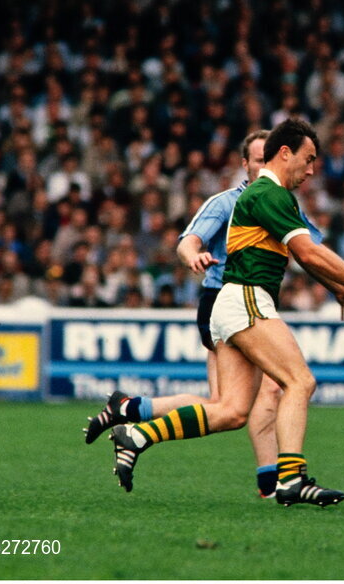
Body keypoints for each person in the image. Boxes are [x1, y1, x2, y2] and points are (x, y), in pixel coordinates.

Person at [104, 119, 344, 507]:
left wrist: (342, 288)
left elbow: (305, 256)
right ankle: (291, 480)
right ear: (285, 153)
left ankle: (137, 435)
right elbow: (309, 252)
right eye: (309, 159)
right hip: (246, 299)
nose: (312, 170)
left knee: (231, 411)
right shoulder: (270, 193)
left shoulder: (269, 195)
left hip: (231, 303)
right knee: (300, 381)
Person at [83, 130, 298, 499]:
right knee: (259, 394)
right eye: (258, 159)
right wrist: (193, 256)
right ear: (244, 164)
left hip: (252, 301)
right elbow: (188, 242)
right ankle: (276, 484)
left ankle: (129, 409)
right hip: (223, 300)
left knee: (232, 405)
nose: (266, 166)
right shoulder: (226, 203)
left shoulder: (282, 202)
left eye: (270, 158)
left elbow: (310, 247)